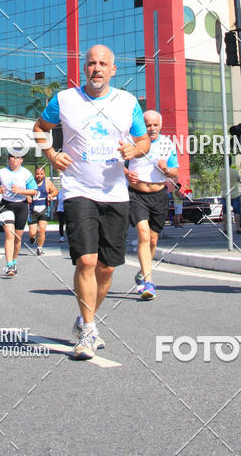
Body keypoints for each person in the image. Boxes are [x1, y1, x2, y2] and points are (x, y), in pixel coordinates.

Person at [33, 44, 150, 359]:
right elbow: (40, 128)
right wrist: (51, 154)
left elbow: (143, 140)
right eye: (91, 64)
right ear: (84, 68)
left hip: (115, 192)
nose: (96, 68)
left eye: (103, 64)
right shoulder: (65, 99)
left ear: (113, 70)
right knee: (86, 261)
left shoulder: (127, 102)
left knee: (107, 268)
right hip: (78, 189)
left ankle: (86, 318)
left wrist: (136, 150)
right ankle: (87, 331)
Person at [126, 109, 178, 300]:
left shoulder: (167, 144)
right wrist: (127, 174)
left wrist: (166, 169)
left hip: (159, 196)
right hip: (137, 195)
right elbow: (117, 164)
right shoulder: (132, 141)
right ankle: (148, 282)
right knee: (143, 234)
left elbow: (175, 172)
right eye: (148, 125)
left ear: (161, 125)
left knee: (153, 240)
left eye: (155, 125)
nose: (152, 128)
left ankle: (142, 272)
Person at [0, 154, 38, 276]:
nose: (14, 159)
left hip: (21, 206)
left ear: (21, 160)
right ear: (8, 159)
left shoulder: (26, 173)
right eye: (12, 157)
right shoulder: (2, 172)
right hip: (6, 205)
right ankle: (9, 265)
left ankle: (14, 260)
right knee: (9, 234)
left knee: (17, 237)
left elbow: (34, 191)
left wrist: (20, 191)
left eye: (17, 157)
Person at [27, 166, 58, 254]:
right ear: (35, 174)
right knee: (32, 233)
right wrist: (27, 196)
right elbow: (24, 192)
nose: (39, 176)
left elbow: (55, 191)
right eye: (37, 174)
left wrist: (51, 195)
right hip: (32, 211)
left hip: (44, 209)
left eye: (41, 174)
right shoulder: (30, 183)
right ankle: (33, 237)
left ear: (44, 174)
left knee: (42, 229)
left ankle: (39, 248)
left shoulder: (47, 182)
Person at [219, 155, 241, 235]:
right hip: (234, 194)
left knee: (225, 212)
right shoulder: (234, 171)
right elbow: (239, 179)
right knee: (237, 211)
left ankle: (225, 228)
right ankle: (238, 228)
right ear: (230, 162)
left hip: (225, 194)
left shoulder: (221, 172)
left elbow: (220, 181)